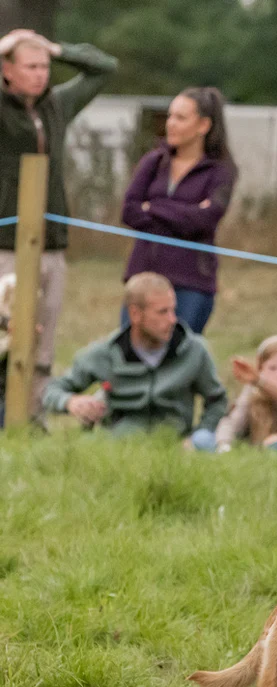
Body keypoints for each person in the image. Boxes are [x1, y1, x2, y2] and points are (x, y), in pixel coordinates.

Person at [0, 28, 117, 421]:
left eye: (45, 67)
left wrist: (57, 47)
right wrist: (4, 45)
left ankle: (32, 418)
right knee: (5, 335)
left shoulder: (57, 105)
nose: (40, 74)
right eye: (30, 66)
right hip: (5, 243)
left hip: (51, 242)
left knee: (43, 339)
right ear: (7, 71)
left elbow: (104, 68)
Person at [41, 272, 227, 446]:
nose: (172, 320)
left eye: (173, 310)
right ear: (135, 314)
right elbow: (52, 391)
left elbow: (217, 400)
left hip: (177, 445)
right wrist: (70, 402)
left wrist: (199, 434)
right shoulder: (105, 354)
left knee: (204, 442)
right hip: (119, 445)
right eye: (162, 312)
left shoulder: (194, 350)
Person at [120, 87, 236, 334]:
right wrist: (186, 212)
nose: (171, 124)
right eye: (170, 116)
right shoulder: (153, 161)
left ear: (204, 125)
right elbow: (129, 211)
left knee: (179, 362)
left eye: (181, 118)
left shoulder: (221, 171)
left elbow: (205, 220)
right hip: (143, 278)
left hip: (191, 283)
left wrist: (153, 207)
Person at [216, 334, 277, 452]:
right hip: (257, 446)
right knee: (203, 438)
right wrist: (224, 445)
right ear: (260, 368)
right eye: (272, 368)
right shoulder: (252, 393)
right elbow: (232, 422)